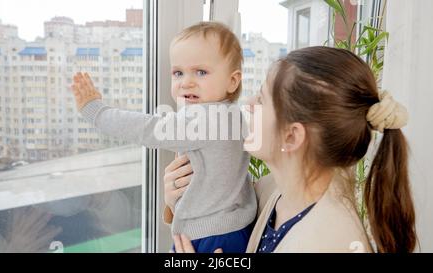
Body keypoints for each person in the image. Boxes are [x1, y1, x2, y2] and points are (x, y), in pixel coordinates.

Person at [165, 46, 417, 253]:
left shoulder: (326, 241)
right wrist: (178, 198)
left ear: (292, 135)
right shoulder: (278, 191)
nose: (249, 104)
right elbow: (220, 212)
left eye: (262, 99)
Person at [70, 22, 256, 253]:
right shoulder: (231, 115)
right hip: (230, 230)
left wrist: (97, 112)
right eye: (178, 72)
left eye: (201, 72)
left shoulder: (208, 119)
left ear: (232, 81)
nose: (186, 81)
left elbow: (148, 128)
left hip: (211, 237)